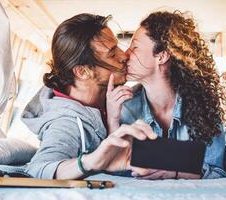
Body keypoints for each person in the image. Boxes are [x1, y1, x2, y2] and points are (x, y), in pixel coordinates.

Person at [21, 13, 157, 180]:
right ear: (83, 71)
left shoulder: (118, 97)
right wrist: (91, 161)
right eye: (113, 54)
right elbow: (38, 169)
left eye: (118, 47)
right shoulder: (65, 123)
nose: (124, 56)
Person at [107, 11, 226, 179]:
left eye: (135, 47)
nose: (125, 55)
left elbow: (216, 172)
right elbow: (114, 171)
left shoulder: (204, 107)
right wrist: (112, 120)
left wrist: (174, 173)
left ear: (162, 56)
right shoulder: (124, 107)